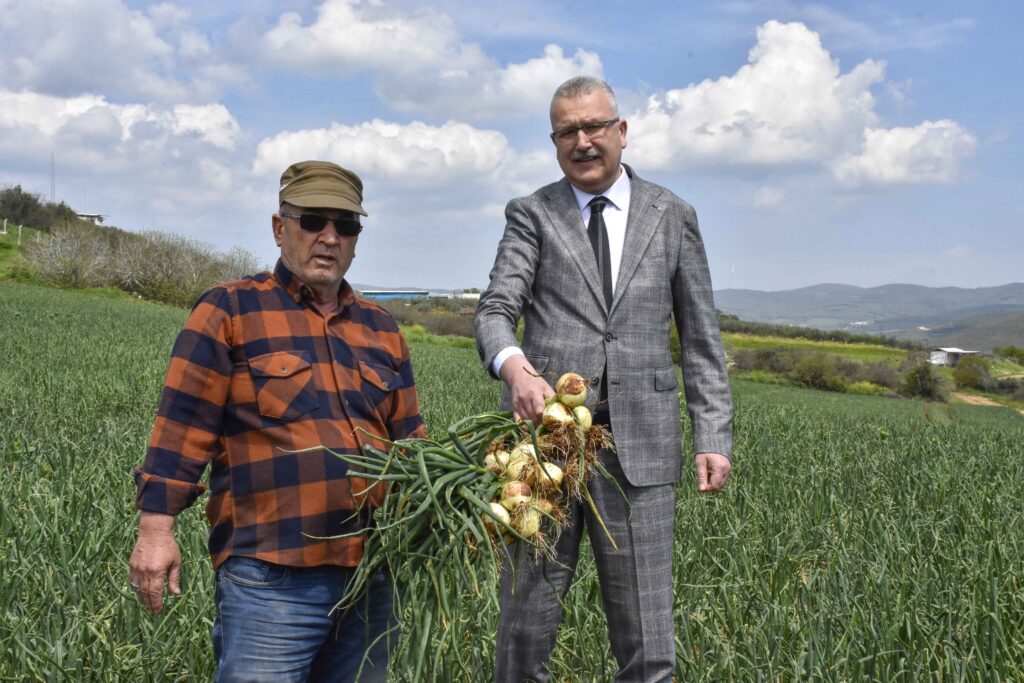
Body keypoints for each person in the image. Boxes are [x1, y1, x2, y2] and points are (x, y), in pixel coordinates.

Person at [474, 76, 734, 682]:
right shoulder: (532, 214)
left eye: (594, 127)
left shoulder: (673, 215)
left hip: (641, 455)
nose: (583, 141)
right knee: (523, 632)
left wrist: (713, 434)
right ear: (554, 140)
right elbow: (494, 310)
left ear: (621, 131)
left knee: (648, 643)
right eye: (568, 131)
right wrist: (516, 368)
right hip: (546, 451)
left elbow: (700, 336)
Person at [129, 160, 426, 682]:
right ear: (279, 227)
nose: (330, 237)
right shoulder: (232, 308)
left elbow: (412, 444)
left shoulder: (381, 327)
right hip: (272, 578)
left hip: (374, 577)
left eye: (346, 225)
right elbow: (182, 424)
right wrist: (156, 531)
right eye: (313, 221)